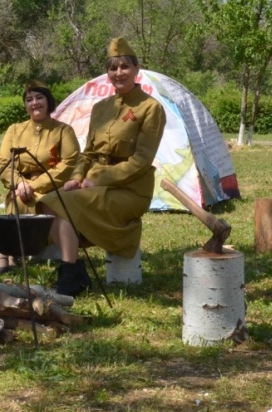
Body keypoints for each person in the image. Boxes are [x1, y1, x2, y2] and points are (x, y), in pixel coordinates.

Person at [37, 38, 165, 297]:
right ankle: (73, 271)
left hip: (131, 190)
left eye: (125, 67)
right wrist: (76, 176)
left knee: (63, 204)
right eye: (113, 68)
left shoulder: (151, 108)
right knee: (49, 202)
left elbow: (141, 160)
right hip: (94, 184)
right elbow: (89, 152)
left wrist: (99, 179)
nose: (119, 73)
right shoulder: (101, 108)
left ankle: (71, 276)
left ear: (136, 69)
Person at [0, 80, 79, 274]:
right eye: (29, 99)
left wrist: (35, 185)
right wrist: (21, 183)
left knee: (45, 203)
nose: (35, 103)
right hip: (20, 187)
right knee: (16, 199)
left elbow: (68, 164)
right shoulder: (14, 130)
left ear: (48, 101)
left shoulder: (63, 130)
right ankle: (7, 251)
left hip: (52, 187)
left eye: (39, 98)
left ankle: (13, 250)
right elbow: (4, 163)